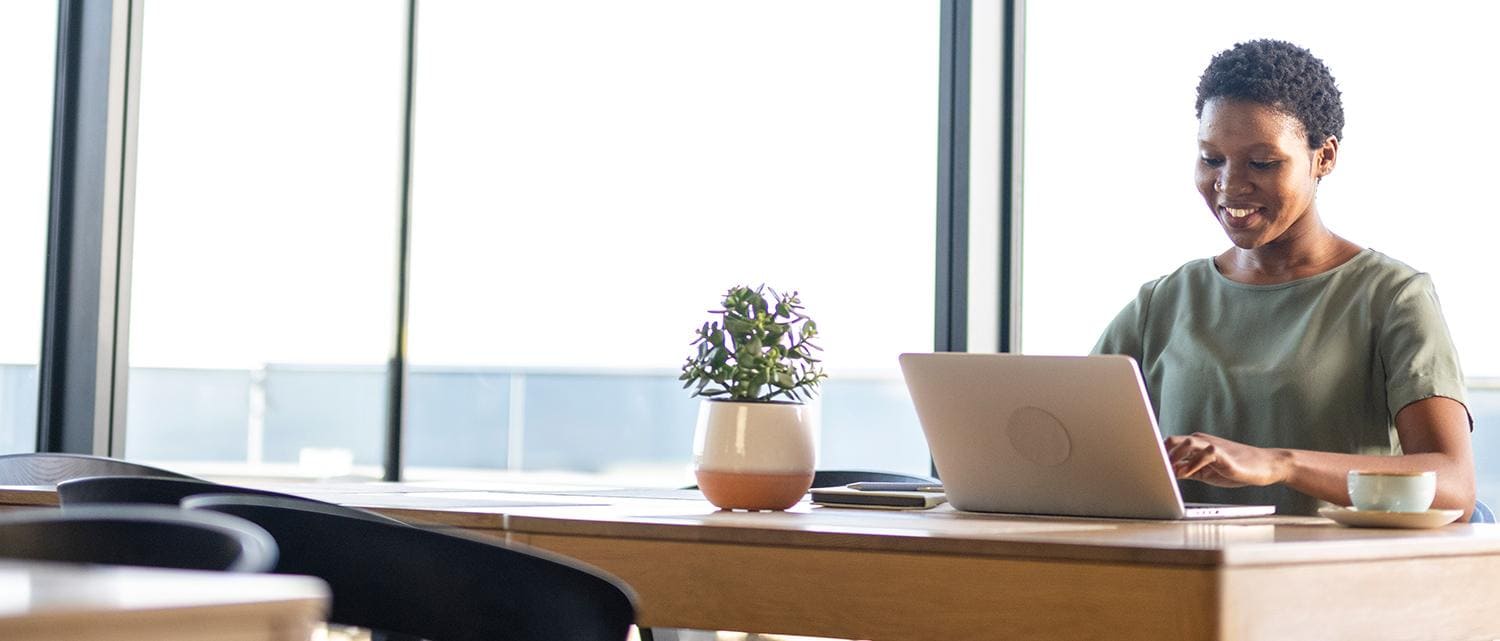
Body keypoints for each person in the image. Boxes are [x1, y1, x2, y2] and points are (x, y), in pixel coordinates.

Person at [1092, 39, 1475, 518]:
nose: (1230, 184)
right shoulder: (1162, 303)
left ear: (1324, 157)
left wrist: (1280, 464)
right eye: (1212, 158)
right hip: (1180, 577)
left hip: (1323, 578)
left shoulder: (1391, 297)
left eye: (1263, 163)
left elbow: (1454, 485)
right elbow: (1072, 446)